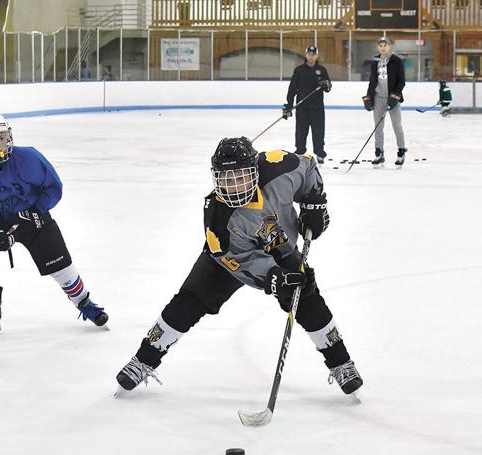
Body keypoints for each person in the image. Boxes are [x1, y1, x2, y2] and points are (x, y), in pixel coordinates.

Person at [114, 137, 363, 397]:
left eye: (240, 177)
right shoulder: (218, 219)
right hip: (229, 259)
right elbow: (240, 262)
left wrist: (314, 202)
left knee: (307, 299)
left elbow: (309, 167)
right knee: (188, 303)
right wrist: (274, 277)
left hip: (282, 246)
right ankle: (143, 360)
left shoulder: (278, 166)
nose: (233, 188)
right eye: (226, 180)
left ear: (255, 170)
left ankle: (341, 363)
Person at [0, 112, 108, 335]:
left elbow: (53, 187)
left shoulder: (29, 158)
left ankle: (84, 303)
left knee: (61, 266)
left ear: (8, 137)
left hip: (33, 215)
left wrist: (38, 209)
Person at [283, 44, 332, 164]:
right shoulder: (299, 70)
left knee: (318, 131)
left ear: (316, 55)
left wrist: (326, 85)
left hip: (317, 107)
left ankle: (320, 153)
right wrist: (289, 105)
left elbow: (328, 88)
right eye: (309, 54)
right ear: (306, 55)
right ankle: (300, 151)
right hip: (302, 107)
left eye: (313, 54)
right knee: (300, 131)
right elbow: (292, 88)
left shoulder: (322, 70)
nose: (311, 56)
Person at [364, 37, 406, 168]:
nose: (383, 47)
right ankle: (379, 153)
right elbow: (372, 81)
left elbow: (401, 81)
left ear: (389, 46)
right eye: (381, 45)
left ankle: (401, 152)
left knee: (397, 126)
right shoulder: (375, 61)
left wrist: (395, 96)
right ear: (378, 47)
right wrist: (369, 97)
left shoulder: (396, 61)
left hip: (392, 98)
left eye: (385, 45)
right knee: (378, 127)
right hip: (378, 98)